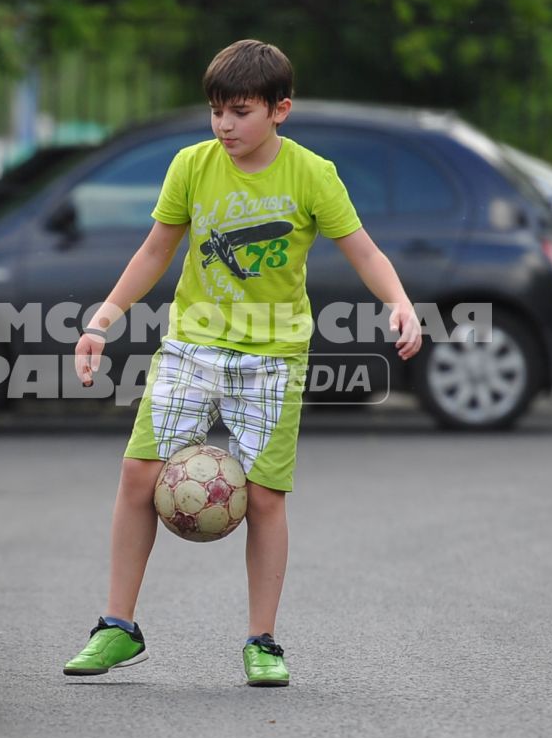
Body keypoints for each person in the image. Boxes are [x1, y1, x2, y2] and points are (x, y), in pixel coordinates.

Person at [64, 39, 423, 686]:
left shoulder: (313, 175)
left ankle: (263, 640)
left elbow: (364, 252)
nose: (224, 125)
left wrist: (399, 302)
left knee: (264, 498)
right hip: (192, 346)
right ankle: (117, 627)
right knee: (139, 476)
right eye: (216, 112)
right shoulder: (192, 166)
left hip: (273, 356)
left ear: (280, 109)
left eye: (240, 111)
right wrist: (102, 321)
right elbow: (154, 253)